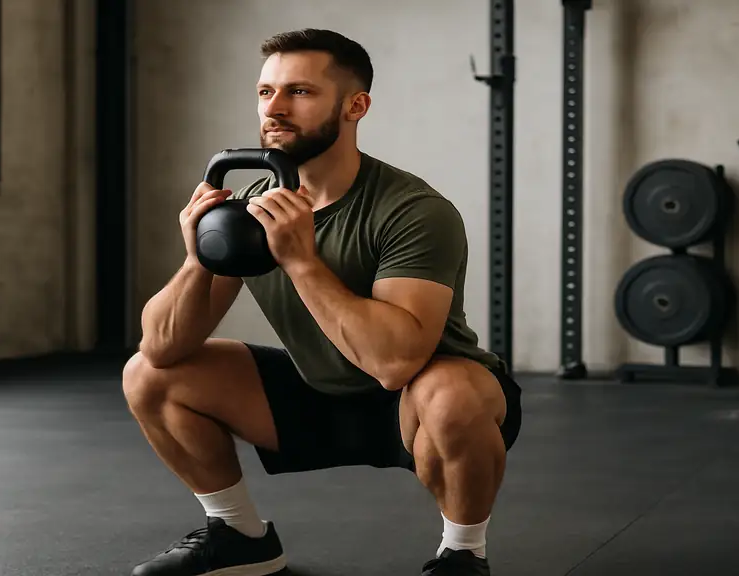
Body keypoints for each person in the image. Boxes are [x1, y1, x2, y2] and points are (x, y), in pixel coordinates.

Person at [123, 28, 522, 576]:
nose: (276, 108)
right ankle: (239, 537)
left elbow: (395, 363)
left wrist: (302, 260)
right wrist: (199, 259)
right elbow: (163, 347)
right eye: (266, 92)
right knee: (147, 374)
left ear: (356, 106)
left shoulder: (414, 210)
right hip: (316, 391)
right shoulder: (249, 209)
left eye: (300, 92)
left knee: (451, 392)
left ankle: (462, 555)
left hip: (414, 399)